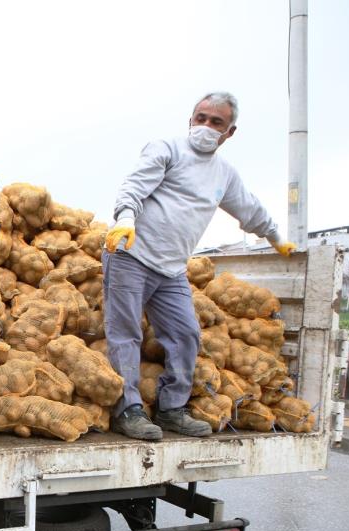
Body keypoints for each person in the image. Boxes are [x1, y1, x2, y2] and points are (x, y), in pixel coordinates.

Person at [104, 92, 296, 441]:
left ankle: (171, 409)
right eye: (201, 118)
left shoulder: (223, 174)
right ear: (190, 119)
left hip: (172, 269)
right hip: (131, 253)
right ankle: (128, 410)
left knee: (185, 335)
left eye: (216, 122)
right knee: (125, 333)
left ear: (230, 132)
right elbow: (134, 185)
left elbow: (248, 208)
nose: (206, 127)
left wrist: (275, 236)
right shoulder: (167, 149)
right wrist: (127, 218)